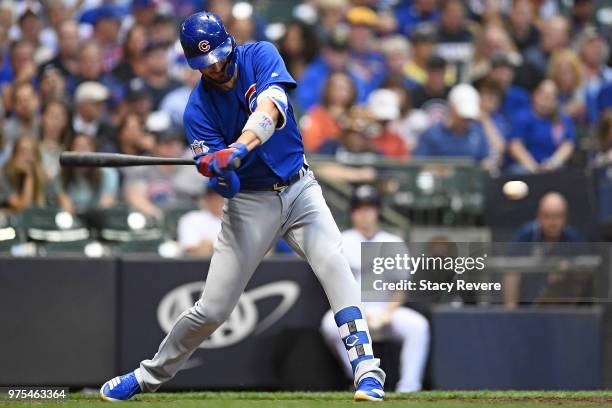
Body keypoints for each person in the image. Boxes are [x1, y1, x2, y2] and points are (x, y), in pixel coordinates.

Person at [100, 12, 386, 402]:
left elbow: (272, 108)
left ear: (229, 42)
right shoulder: (197, 111)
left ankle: (368, 371)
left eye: (218, 55)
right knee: (212, 310)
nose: (216, 66)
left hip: (300, 187)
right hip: (251, 203)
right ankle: (147, 376)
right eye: (206, 63)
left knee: (335, 265)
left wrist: (238, 147)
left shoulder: (260, 55)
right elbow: (228, 186)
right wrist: (218, 169)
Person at [320, 185, 430, 392]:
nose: (365, 214)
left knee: (419, 326)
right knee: (329, 324)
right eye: (360, 209)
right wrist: (364, 315)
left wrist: (388, 313)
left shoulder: (393, 241)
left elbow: (401, 287)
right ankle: (360, 378)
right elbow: (336, 286)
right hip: (353, 311)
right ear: (352, 212)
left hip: (386, 311)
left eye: (369, 208)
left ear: (377, 211)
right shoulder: (340, 241)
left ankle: (409, 388)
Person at [504, 192, 585, 307]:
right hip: (527, 309)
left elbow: (582, 277)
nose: (553, 222)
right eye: (547, 216)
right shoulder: (525, 236)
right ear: (539, 216)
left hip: (561, 310)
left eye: (558, 216)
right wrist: (511, 311)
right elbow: (511, 274)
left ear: (565, 217)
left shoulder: (573, 238)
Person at [507, 79, 576, 174]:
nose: (544, 101)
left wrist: (552, 163)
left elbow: (568, 144)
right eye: (542, 95)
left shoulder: (562, 119)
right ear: (534, 95)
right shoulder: (522, 116)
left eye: (549, 97)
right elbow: (515, 146)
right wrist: (534, 168)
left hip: (552, 168)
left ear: (556, 100)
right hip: (526, 167)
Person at [414, 83, 490, 163]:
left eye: (469, 118)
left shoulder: (478, 133)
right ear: (451, 109)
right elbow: (419, 164)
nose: (466, 121)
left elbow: (485, 160)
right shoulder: (432, 134)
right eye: (463, 117)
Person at [57, 134, 119, 214]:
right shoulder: (62, 175)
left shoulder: (108, 174)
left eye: (86, 147)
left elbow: (106, 204)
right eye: (78, 147)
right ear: (70, 150)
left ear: (94, 150)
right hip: (71, 219)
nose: (82, 152)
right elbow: (64, 202)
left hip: (98, 219)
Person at [301, 70, 357, 152]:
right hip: (324, 160)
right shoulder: (316, 115)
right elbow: (310, 147)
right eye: (337, 87)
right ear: (327, 89)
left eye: (346, 87)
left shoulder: (358, 114)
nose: (341, 91)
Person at [0, 135, 50, 212]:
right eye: (23, 152)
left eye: (32, 153)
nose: (28, 157)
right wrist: (29, 176)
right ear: (14, 155)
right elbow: (24, 208)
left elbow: (41, 207)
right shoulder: (3, 175)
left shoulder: (42, 177)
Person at [177, 189, 225, 257]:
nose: (219, 202)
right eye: (215, 198)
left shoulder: (234, 220)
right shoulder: (191, 218)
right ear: (206, 199)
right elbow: (190, 248)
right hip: (201, 264)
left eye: (222, 198)